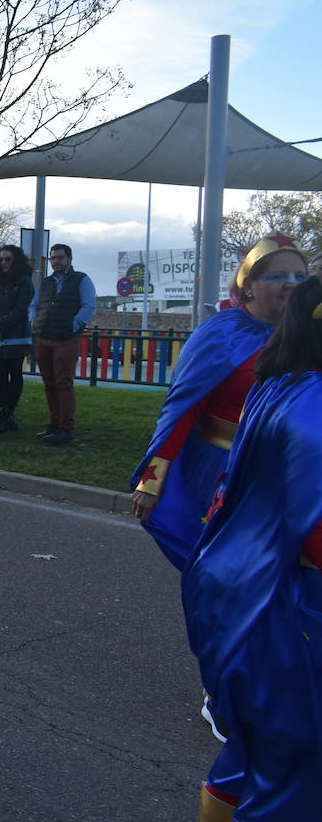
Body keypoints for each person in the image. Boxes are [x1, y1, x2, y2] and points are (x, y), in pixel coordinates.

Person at [181, 276, 322, 821]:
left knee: (253, 759)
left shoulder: (282, 385)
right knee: (296, 772)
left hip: (253, 595)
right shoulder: (313, 407)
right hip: (295, 609)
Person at [132, 233, 307, 570]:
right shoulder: (222, 332)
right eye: (279, 276)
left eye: (300, 277)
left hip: (288, 475)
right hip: (221, 473)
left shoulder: (307, 336)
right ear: (249, 284)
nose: (291, 284)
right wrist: (152, 480)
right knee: (223, 572)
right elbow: (184, 408)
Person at [27, 243, 96, 445]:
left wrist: (72, 326)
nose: (56, 261)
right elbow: (34, 304)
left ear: (69, 259)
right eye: (53, 258)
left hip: (66, 339)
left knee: (63, 383)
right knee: (49, 384)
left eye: (60, 258)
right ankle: (54, 424)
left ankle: (66, 428)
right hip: (44, 337)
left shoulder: (81, 279)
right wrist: (34, 321)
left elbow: (89, 306)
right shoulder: (46, 282)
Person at [0, 245, 35, 433]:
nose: (4, 263)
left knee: (15, 374)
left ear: (16, 260)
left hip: (17, 337)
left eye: (8, 259)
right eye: (1, 259)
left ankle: (7, 414)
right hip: (0, 337)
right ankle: (5, 415)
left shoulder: (25, 282)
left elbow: (20, 311)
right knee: (1, 375)